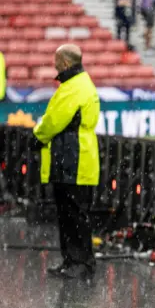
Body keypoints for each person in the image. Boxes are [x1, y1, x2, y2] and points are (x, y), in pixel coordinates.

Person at [31, 44, 100, 279]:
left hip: (73, 159)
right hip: (74, 158)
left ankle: (79, 263)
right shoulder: (79, 83)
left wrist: (37, 136)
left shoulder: (73, 87)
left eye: (57, 61)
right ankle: (75, 261)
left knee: (73, 214)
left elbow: (53, 120)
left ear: (66, 63)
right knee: (72, 213)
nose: (54, 65)